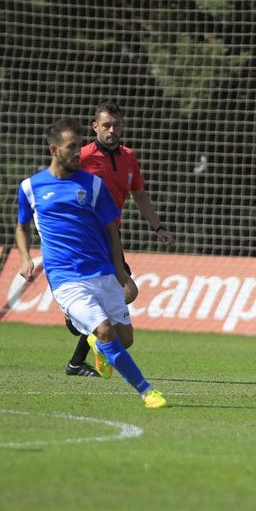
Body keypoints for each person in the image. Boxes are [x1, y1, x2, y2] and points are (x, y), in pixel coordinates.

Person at [16, 117, 169, 409]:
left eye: (78, 146)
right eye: (70, 147)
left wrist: (121, 273)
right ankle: (147, 391)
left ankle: (98, 347)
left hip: (101, 271)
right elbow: (22, 226)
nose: (77, 153)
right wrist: (25, 258)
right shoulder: (31, 188)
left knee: (124, 339)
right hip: (66, 278)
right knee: (105, 329)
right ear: (53, 149)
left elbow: (112, 230)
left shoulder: (94, 186)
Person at [62, 101, 175, 377]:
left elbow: (139, 194)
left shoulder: (128, 157)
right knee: (124, 292)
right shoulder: (83, 156)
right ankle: (80, 330)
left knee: (122, 294)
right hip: (85, 236)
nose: (112, 130)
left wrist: (157, 227)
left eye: (117, 125)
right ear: (95, 127)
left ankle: (79, 352)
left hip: (112, 235)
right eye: (107, 125)